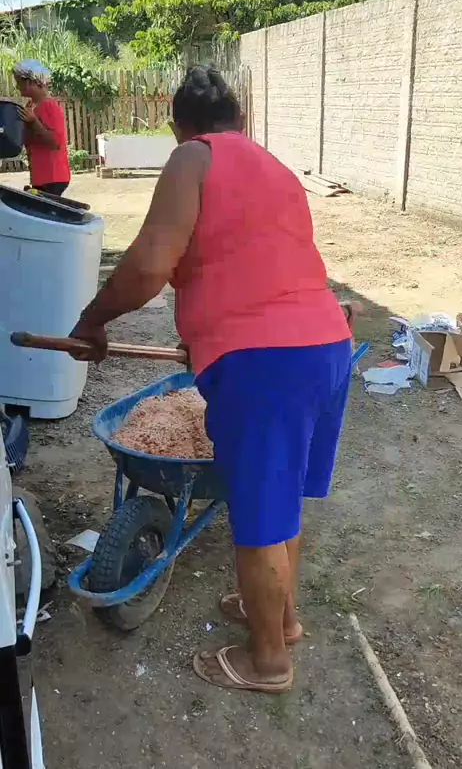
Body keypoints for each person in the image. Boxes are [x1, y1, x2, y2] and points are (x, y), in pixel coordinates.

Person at [69, 65, 358, 694]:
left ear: (180, 127)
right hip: (326, 343)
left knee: (257, 517)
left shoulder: (192, 158)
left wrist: (92, 320)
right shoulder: (277, 168)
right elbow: (253, 262)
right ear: (242, 122)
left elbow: (149, 264)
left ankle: (268, 662)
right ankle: (282, 619)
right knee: (281, 497)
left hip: (265, 361)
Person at [14, 59, 71, 197]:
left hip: (53, 176)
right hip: (41, 176)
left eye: (20, 82)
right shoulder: (31, 106)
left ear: (32, 82)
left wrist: (34, 121)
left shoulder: (49, 106)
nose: (17, 87)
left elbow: (55, 142)